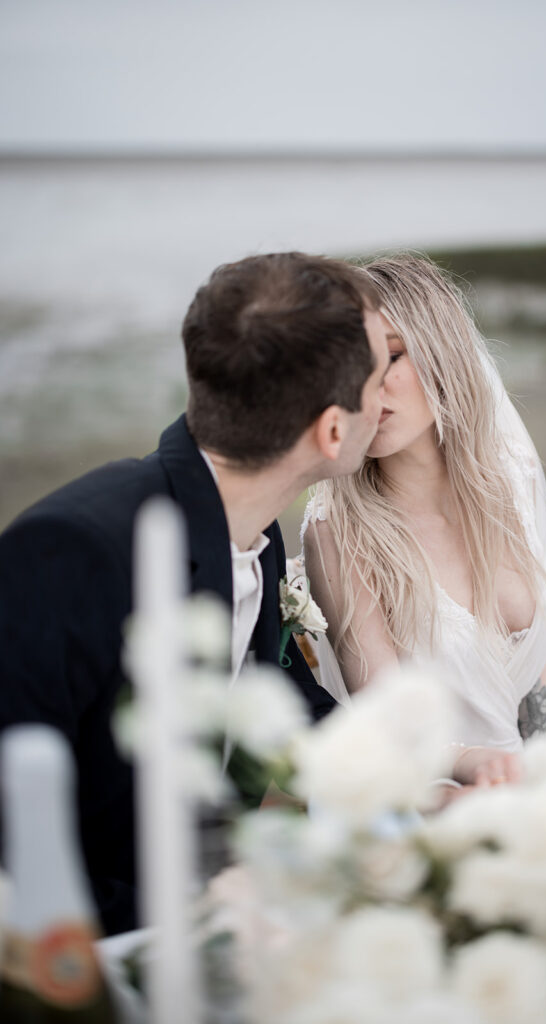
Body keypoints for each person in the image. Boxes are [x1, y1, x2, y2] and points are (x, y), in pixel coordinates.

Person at [0, 251, 390, 935]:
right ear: (331, 432)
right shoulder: (71, 550)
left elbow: (292, 705)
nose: (385, 401)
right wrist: (194, 919)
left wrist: (419, 783)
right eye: (380, 381)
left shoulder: (249, 531)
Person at [303, 254, 546, 784]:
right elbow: (386, 724)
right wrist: (479, 770)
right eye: (349, 368)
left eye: (391, 356)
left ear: (441, 351)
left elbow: (539, 684)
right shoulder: (337, 530)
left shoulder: (510, 480)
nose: (368, 388)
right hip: (433, 801)